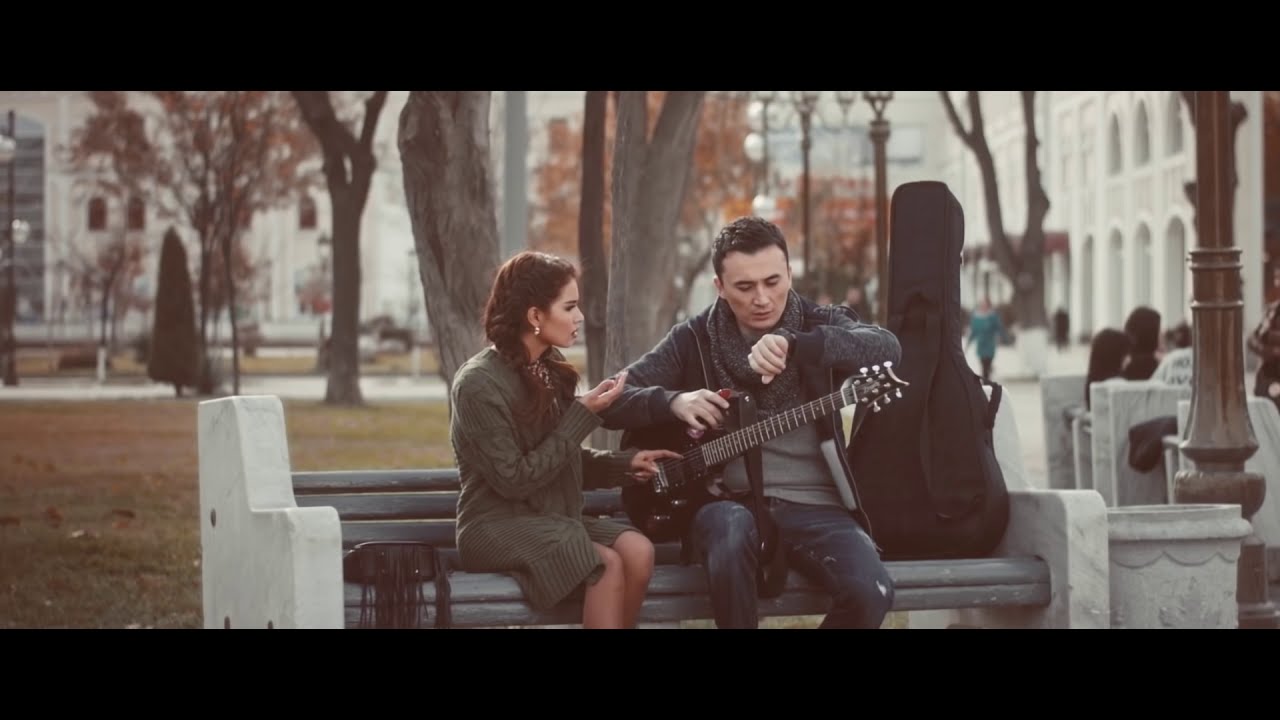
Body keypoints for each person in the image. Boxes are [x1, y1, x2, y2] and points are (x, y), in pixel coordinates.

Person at [597, 216, 903, 629]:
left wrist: (798, 344)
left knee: (872, 591)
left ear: (789, 273)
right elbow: (608, 402)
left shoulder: (820, 323)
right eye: (744, 287)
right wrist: (673, 401)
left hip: (816, 507)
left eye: (773, 282)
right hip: (724, 504)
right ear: (720, 287)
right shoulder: (693, 339)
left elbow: (886, 347)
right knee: (730, 528)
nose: (762, 298)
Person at [449, 251, 680, 629]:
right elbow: (514, 479)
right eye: (569, 307)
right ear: (535, 316)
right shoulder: (478, 384)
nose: (580, 317)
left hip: (550, 516)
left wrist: (626, 464)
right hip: (495, 526)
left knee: (638, 550)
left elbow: (560, 457)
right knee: (604, 564)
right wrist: (581, 415)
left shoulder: (548, 369)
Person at [966, 298, 1008, 383]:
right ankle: (986, 381)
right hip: (981, 345)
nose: (983, 306)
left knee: (987, 363)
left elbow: (999, 328)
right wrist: (968, 343)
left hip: (990, 344)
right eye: (982, 304)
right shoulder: (976, 317)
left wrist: (1003, 338)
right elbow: (974, 332)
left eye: (985, 305)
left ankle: (986, 380)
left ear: (988, 306)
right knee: (983, 365)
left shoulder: (992, 316)